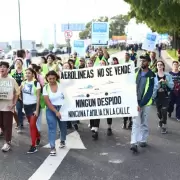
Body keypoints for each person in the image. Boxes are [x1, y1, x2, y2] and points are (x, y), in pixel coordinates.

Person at [130, 54, 155, 153]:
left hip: (146, 103)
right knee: (135, 123)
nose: (141, 63)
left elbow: (149, 91)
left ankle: (143, 139)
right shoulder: (136, 71)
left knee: (144, 122)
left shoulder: (151, 75)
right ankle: (134, 143)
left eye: (144, 61)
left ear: (148, 62)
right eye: (140, 61)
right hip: (135, 101)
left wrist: (140, 104)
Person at [43, 71, 67, 156]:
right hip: (51, 109)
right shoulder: (45, 87)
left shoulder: (62, 86)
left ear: (56, 78)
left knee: (63, 126)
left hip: (62, 108)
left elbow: (67, 97)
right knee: (52, 128)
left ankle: (62, 140)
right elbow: (47, 101)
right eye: (50, 79)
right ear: (47, 79)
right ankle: (52, 147)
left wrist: (62, 110)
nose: (52, 80)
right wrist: (56, 111)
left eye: (53, 78)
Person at [0, 61, 20, 152]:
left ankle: (7, 142)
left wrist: (14, 103)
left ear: (8, 69)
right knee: (1, 124)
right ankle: (7, 138)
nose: (2, 68)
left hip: (8, 106)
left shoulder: (11, 80)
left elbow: (17, 92)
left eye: (4, 67)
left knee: (7, 124)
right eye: (0, 67)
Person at [21, 68, 41, 153]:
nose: (27, 75)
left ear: (33, 74)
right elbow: (19, 93)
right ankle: (38, 136)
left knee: (32, 125)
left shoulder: (37, 84)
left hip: (34, 106)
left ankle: (33, 146)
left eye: (29, 73)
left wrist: (36, 110)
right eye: (26, 73)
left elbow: (38, 97)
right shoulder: (23, 83)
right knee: (32, 124)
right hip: (26, 106)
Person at [152, 61, 174, 134]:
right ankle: (161, 120)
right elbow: (153, 88)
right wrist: (158, 83)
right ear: (156, 67)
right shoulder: (154, 76)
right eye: (158, 65)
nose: (160, 66)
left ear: (163, 66)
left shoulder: (168, 75)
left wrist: (166, 82)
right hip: (157, 96)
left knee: (164, 111)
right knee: (159, 112)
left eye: (161, 65)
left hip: (166, 96)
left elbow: (172, 86)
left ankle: (164, 125)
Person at [10, 58, 26, 132]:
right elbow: (10, 80)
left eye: (19, 62)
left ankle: (26, 118)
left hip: (24, 92)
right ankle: (20, 124)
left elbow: (25, 80)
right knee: (18, 108)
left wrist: (20, 88)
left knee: (26, 108)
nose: (18, 63)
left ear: (22, 63)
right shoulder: (13, 71)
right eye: (16, 62)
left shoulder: (25, 71)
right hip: (15, 92)